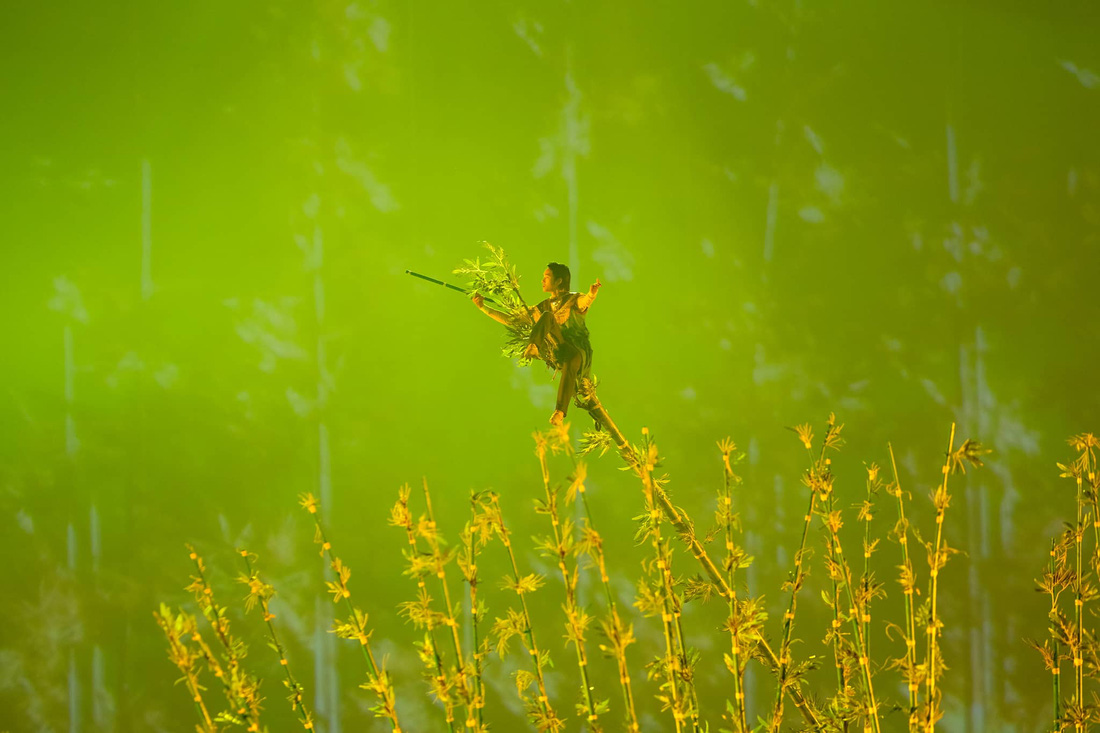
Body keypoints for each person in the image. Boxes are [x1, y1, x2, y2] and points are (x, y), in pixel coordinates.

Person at [473, 262, 601, 425]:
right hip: (557, 349)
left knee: (572, 358)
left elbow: (585, 302)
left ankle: (560, 412)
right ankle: (533, 346)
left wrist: (591, 294)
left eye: (546, 277)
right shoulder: (542, 308)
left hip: (575, 353)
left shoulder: (572, 299)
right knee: (547, 316)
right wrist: (484, 308)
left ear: (559, 281)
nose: (542, 280)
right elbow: (513, 321)